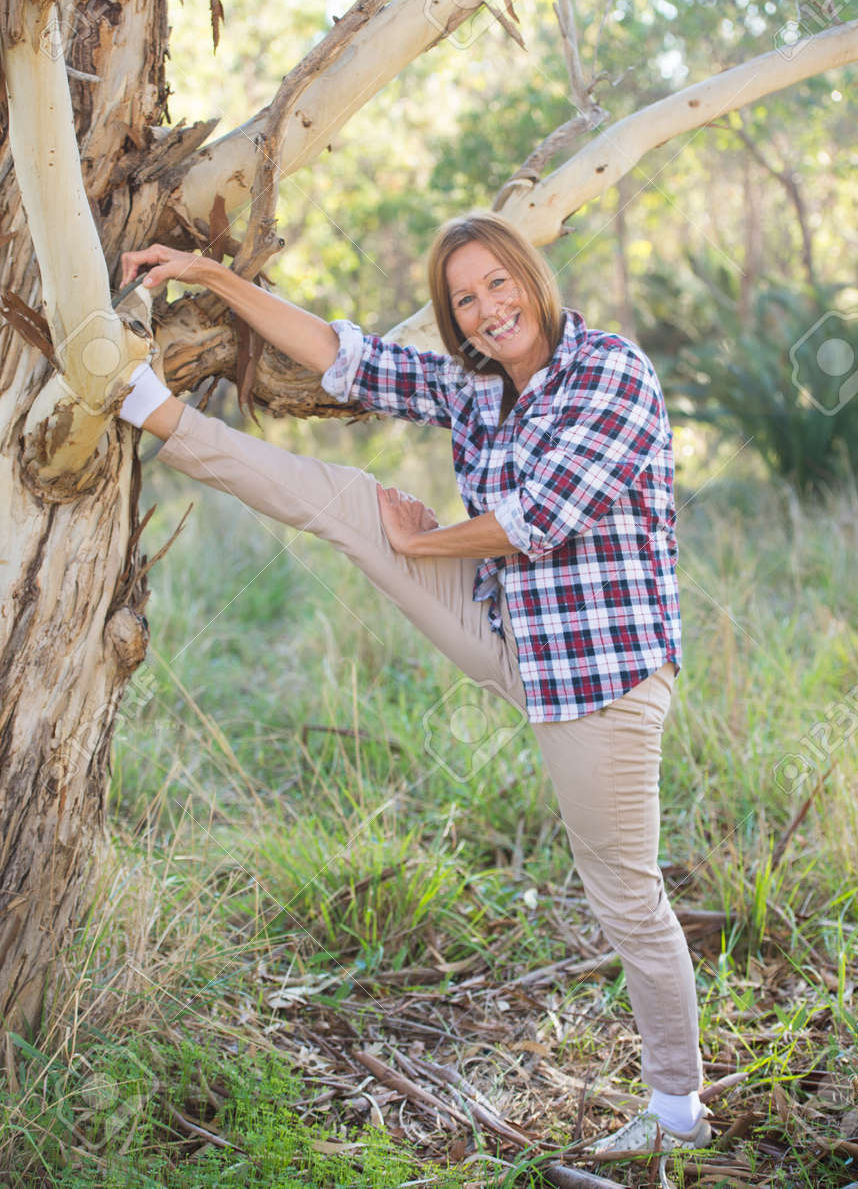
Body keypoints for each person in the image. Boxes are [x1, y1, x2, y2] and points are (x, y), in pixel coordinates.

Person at [116, 210, 712, 1156]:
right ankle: (158, 414)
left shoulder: (612, 371)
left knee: (626, 899)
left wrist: (422, 541)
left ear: (532, 276)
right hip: (505, 629)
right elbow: (345, 357)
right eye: (464, 299)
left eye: (498, 284)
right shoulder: (477, 385)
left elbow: (538, 520)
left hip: (599, 681)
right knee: (355, 505)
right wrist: (214, 276)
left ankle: (677, 1110)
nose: (487, 310)